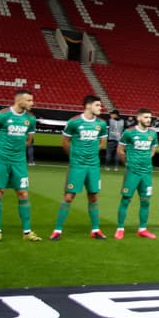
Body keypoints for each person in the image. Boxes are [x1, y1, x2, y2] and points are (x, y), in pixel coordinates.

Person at [0, 89, 41, 242]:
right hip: (1, 161)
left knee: (23, 194)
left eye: (32, 100)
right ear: (19, 100)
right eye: (29, 100)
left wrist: (17, 153)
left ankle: (27, 232)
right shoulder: (2, 115)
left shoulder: (31, 119)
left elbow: (29, 141)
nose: (32, 103)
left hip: (19, 163)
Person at [50, 94, 108, 241]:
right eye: (97, 105)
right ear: (88, 106)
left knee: (93, 196)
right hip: (77, 166)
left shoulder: (101, 124)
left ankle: (95, 230)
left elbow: (102, 143)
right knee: (69, 197)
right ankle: (57, 230)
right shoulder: (74, 122)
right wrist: (75, 157)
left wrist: (92, 154)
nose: (100, 108)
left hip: (93, 166)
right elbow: (65, 142)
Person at [114, 109, 158, 240]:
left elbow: (154, 148)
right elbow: (120, 150)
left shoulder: (152, 134)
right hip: (132, 172)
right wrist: (128, 163)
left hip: (146, 173)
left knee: (145, 201)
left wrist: (148, 159)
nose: (149, 119)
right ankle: (120, 228)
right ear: (138, 118)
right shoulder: (129, 133)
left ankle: (143, 229)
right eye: (146, 117)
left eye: (150, 117)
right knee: (126, 199)